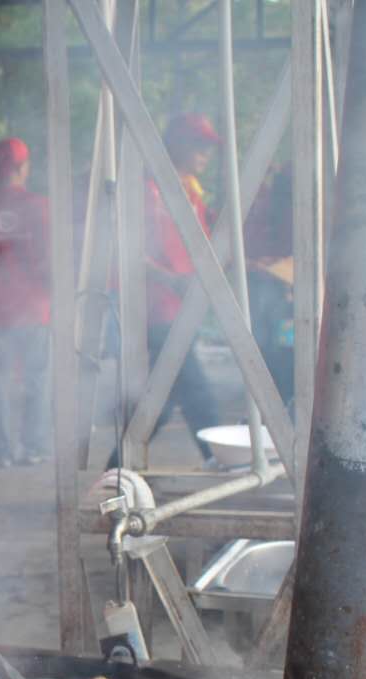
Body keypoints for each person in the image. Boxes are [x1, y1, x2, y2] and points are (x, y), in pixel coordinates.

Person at [143, 112, 224, 463]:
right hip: (158, 308)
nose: (205, 153)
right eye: (198, 144)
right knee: (195, 391)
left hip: (184, 307)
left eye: (208, 146)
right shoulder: (151, 190)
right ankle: (219, 459)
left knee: (160, 402)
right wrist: (170, 279)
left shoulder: (192, 191)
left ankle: (115, 469)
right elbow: (126, 249)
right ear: (176, 144)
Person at [0, 136, 52, 468]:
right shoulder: (40, 206)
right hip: (36, 309)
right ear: (23, 168)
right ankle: (33, 448)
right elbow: (50, 261)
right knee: (37, 381)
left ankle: (3, 451)